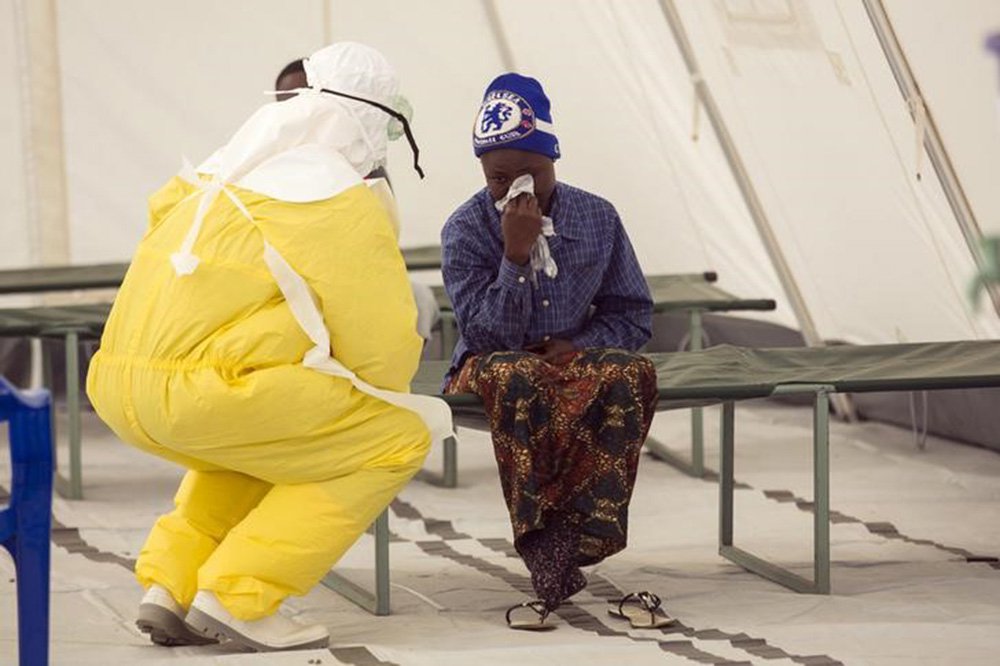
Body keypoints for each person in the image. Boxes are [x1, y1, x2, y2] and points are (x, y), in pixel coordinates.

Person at [86, 42, 451, 652]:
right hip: (212, 392)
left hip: (121, 385)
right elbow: (381, 341)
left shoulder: (212, 175)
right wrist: (377, 391)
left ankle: (169, 587)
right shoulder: (332, 197)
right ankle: (239, 596)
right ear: (366, 119)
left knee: (260, 443)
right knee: (395, 437)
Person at [441, 73, 659, 626]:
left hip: (567, 361)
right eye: (498, 179)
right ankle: (546, 550)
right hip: (489, 367)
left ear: (553, 160)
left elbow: (632, 313)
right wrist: (515, 256)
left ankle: (587, 534)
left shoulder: (596, 216)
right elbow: (487, 340)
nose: (516, 190)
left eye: (530, 175)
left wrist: (576, 345)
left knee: (629, 371)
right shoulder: (465, 230)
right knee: (515, 372)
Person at [274, 58, 439, 343]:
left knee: (417, 301)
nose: (297, 113)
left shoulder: (363, 164)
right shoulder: (265, 167)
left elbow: (376, 251)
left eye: (303, 100)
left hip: (352, 295)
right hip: (288, 296)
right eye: (285, 105)